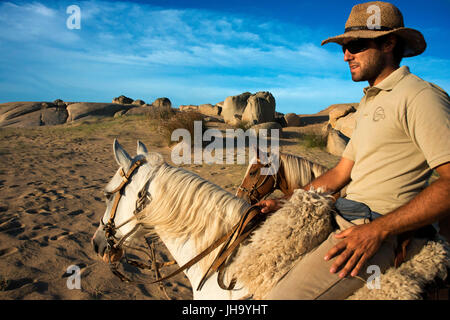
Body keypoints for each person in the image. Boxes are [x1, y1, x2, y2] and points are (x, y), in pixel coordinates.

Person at [260, 1, 450, 299]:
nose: (347, 54)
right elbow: (340, 173)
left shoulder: (420, 97)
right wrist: (289, 204)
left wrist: (379, 231)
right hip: (345, 217)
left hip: (380, 232)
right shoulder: (370, 102)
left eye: (357, 44)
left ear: (389, 43)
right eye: (344, 47)